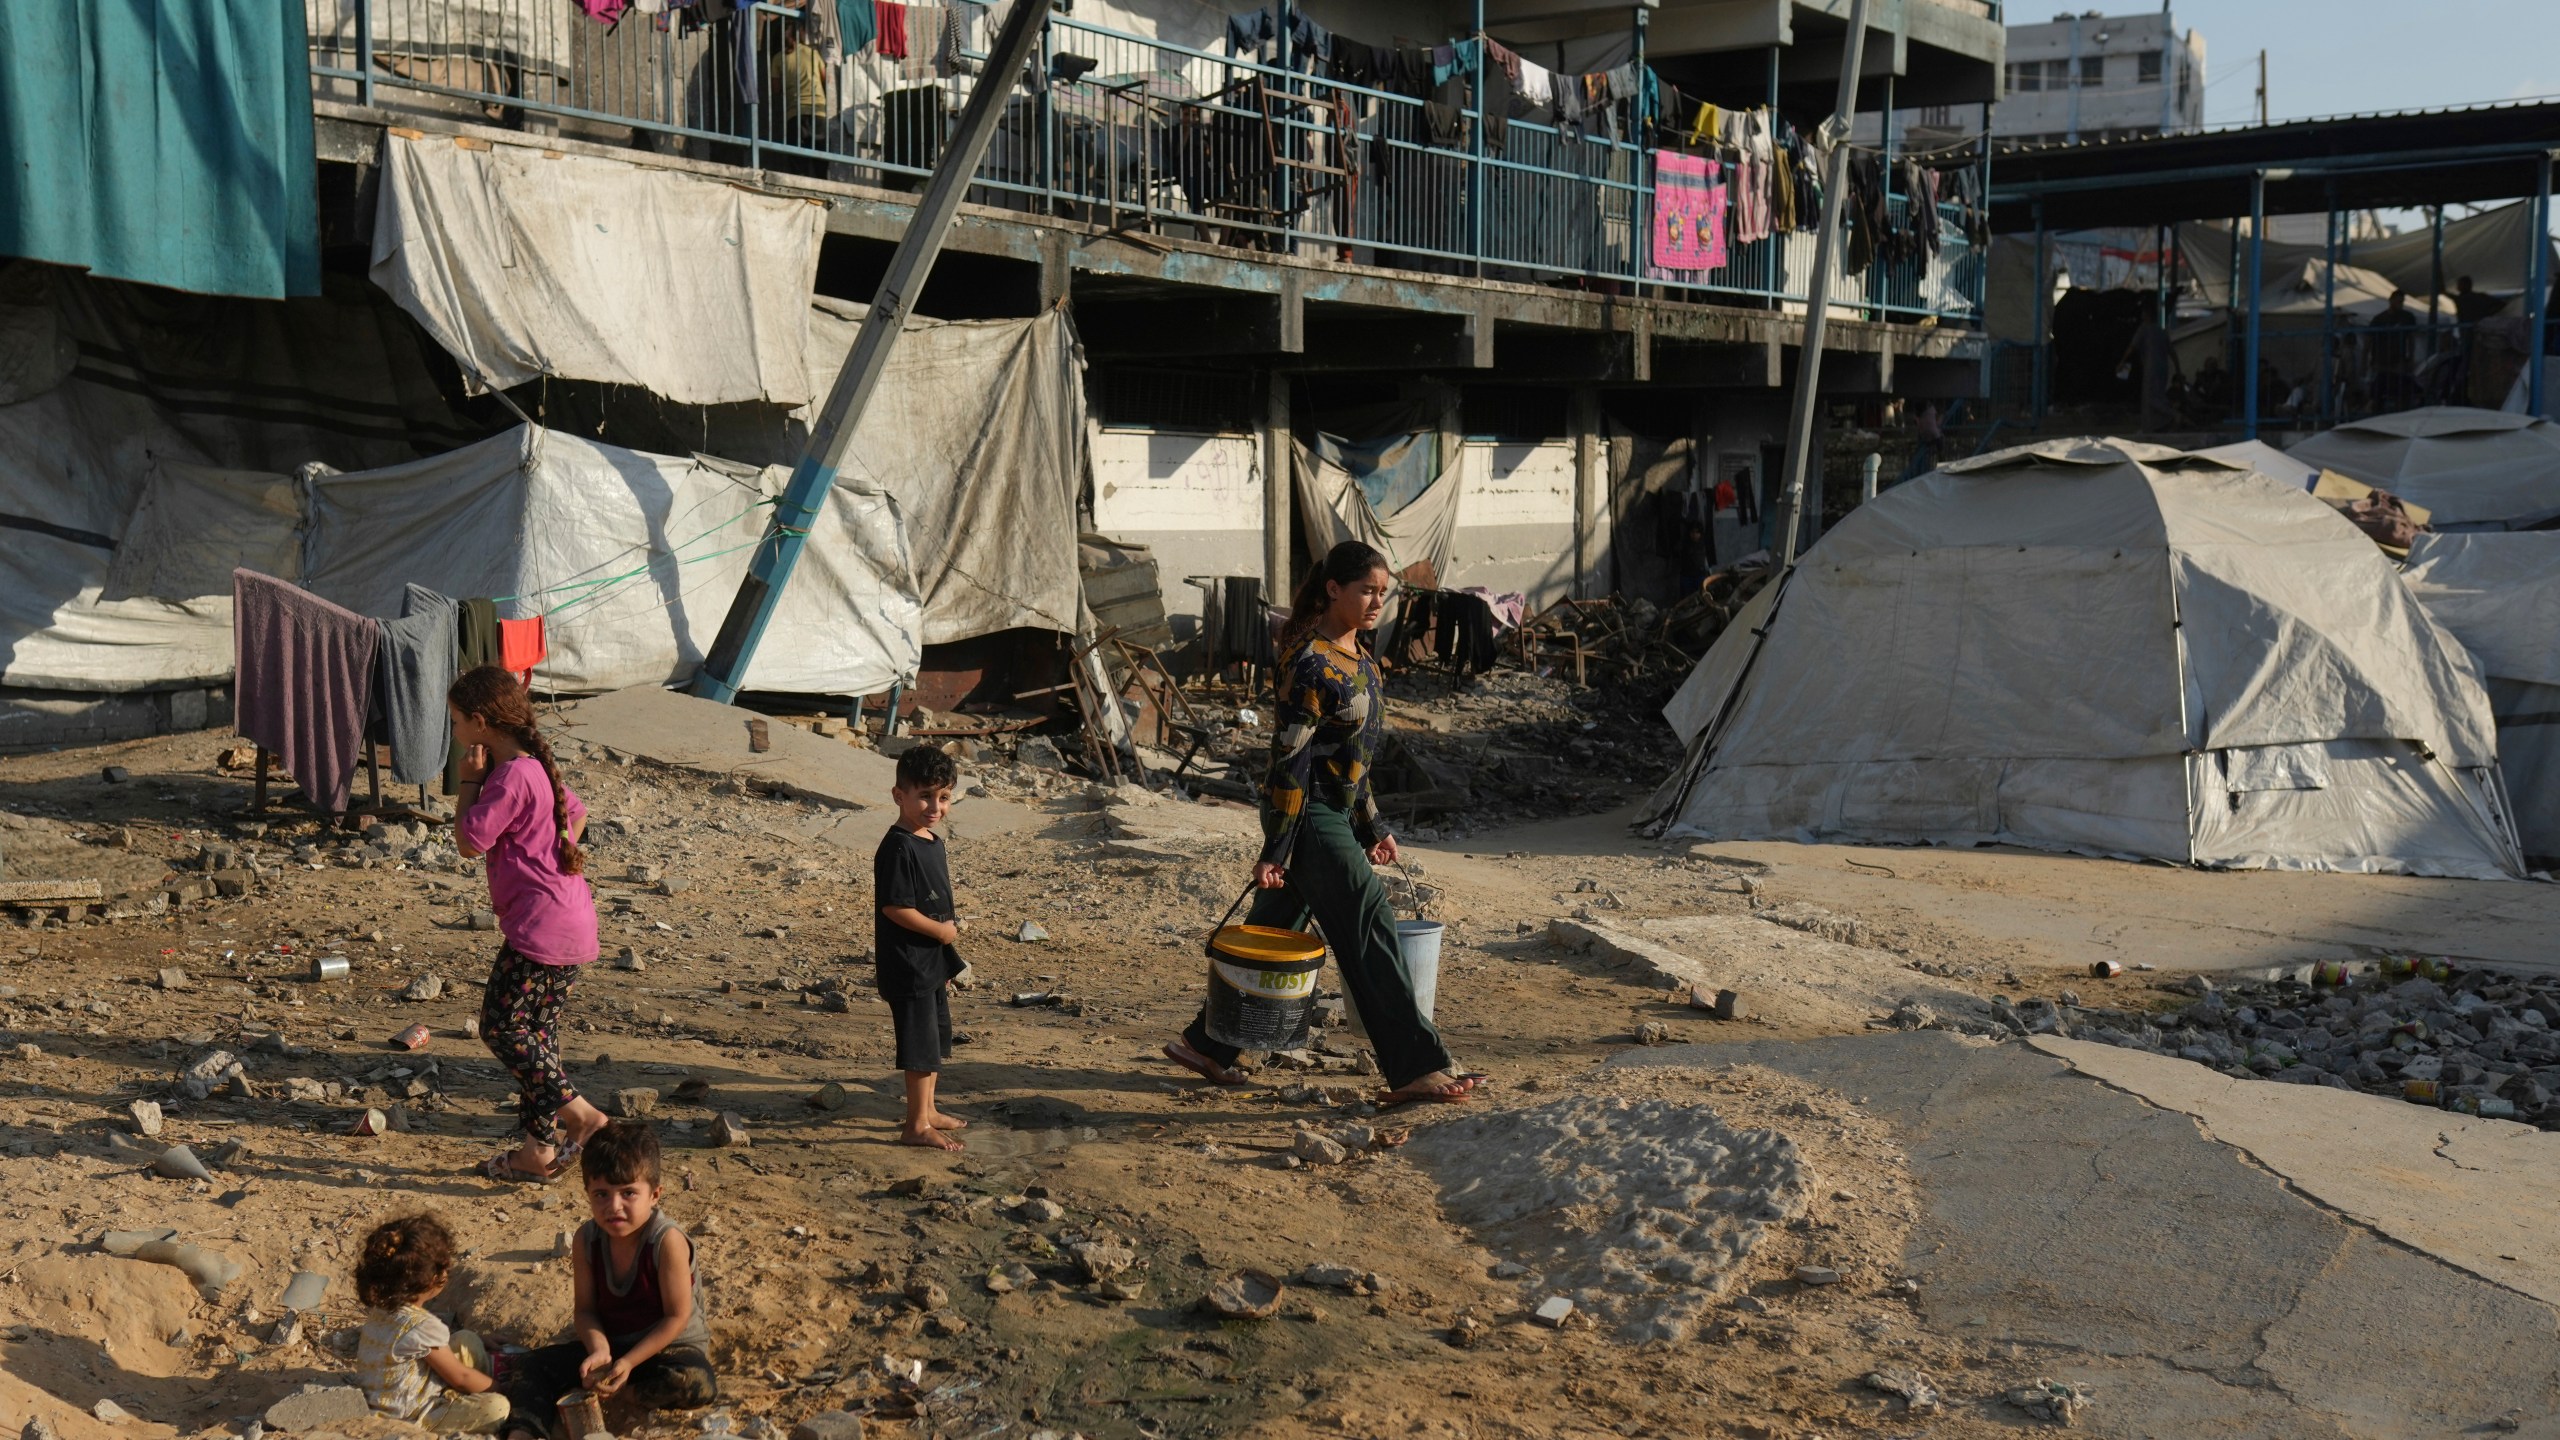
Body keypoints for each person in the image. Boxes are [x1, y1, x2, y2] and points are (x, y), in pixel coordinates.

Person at [1162, 541, 1476, 1106]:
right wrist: (1276, 849)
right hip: (1304, 813)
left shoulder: (1363, 657)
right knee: (1369, 917)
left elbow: (1354, 759)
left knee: (1277, 932)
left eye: (1383, 592)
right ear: (1334, 589)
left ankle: (1207, 1044)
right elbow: (1292, 760)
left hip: (1335, 811)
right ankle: (1413, 1066)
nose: (1376, 601)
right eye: (1366, 590)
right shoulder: (1310, 660)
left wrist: (1373, 825)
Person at [449, 665, 608, 1183]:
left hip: (540, 930)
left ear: (479, 722)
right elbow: (576, 816)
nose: (453, 733)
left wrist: (469, 782)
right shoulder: (536, 765)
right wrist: (549, 855)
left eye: (456, 722)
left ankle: (581, 1116)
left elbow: (472, 841)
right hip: (569, 919)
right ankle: (536, 1152)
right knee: (538, 1039)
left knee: (500, 1027)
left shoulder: (511, 774)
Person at [500, 1124, 716, 1436]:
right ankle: (524, 1431)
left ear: (654, 1195)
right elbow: (585, 1310)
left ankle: (624, 1393)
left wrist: (628, 1363)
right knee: (530, 1366)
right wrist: (599, 1350)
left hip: (665, 1349)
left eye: (628, 1193)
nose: (614, 1206)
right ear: (587, 1193)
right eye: (601, 1194)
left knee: (696, 1384)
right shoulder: (586, 1239)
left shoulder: (666, 1241)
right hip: (612, 1346)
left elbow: (677, 1317)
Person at [874, 743, 971, 1151]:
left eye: (944, 797)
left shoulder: (931, 840)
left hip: (931, 961)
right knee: (917, 1046)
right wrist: (940, 932)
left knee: (932, 1040)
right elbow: (895, 908)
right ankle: (915, 1125)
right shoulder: (897, 847)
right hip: (908, 962)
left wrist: (943, 952)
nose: (935, 806)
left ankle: (928, 1110)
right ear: (900, 796)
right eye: (925, 796)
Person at [353, 1215, 510, 1435]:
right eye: (443, 1269)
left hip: (388, 1399)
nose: (447, 1274)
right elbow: (460, 1377)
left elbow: (424, 1345)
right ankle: (480, 1399)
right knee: (497, 1408)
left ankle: (476, 1391)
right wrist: (503, 1391)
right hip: (413, 1416)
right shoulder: (421, 1326)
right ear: (430, 1279)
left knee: (467, 1339)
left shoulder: (385, 1309)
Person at [2367, 289, 2418, 412]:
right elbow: (2368, 341)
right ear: (2391, 301)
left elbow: (2411, 339)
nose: (2400, 304)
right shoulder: (2379, 319)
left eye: (2402, 301)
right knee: (2378, 391)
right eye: (2398, 301)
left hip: (2398, 362)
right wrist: (2367, 361)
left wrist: (2411, 358)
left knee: (2399, 391)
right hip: (2381, 361)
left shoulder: (2407, 317)